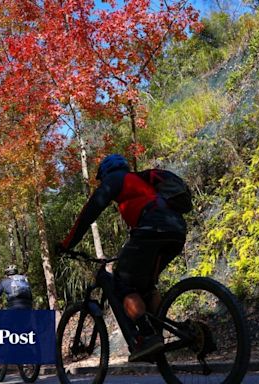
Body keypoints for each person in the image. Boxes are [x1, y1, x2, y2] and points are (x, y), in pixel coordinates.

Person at [57, 154, 187, 362]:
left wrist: (66, 244)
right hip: (176, 231)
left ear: (106, 172)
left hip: (151, 230)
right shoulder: (140, 182)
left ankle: (145, 337)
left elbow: (88, 213)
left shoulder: (116, 180)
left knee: (121, 283)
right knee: (146, 286)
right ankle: (161, 332)